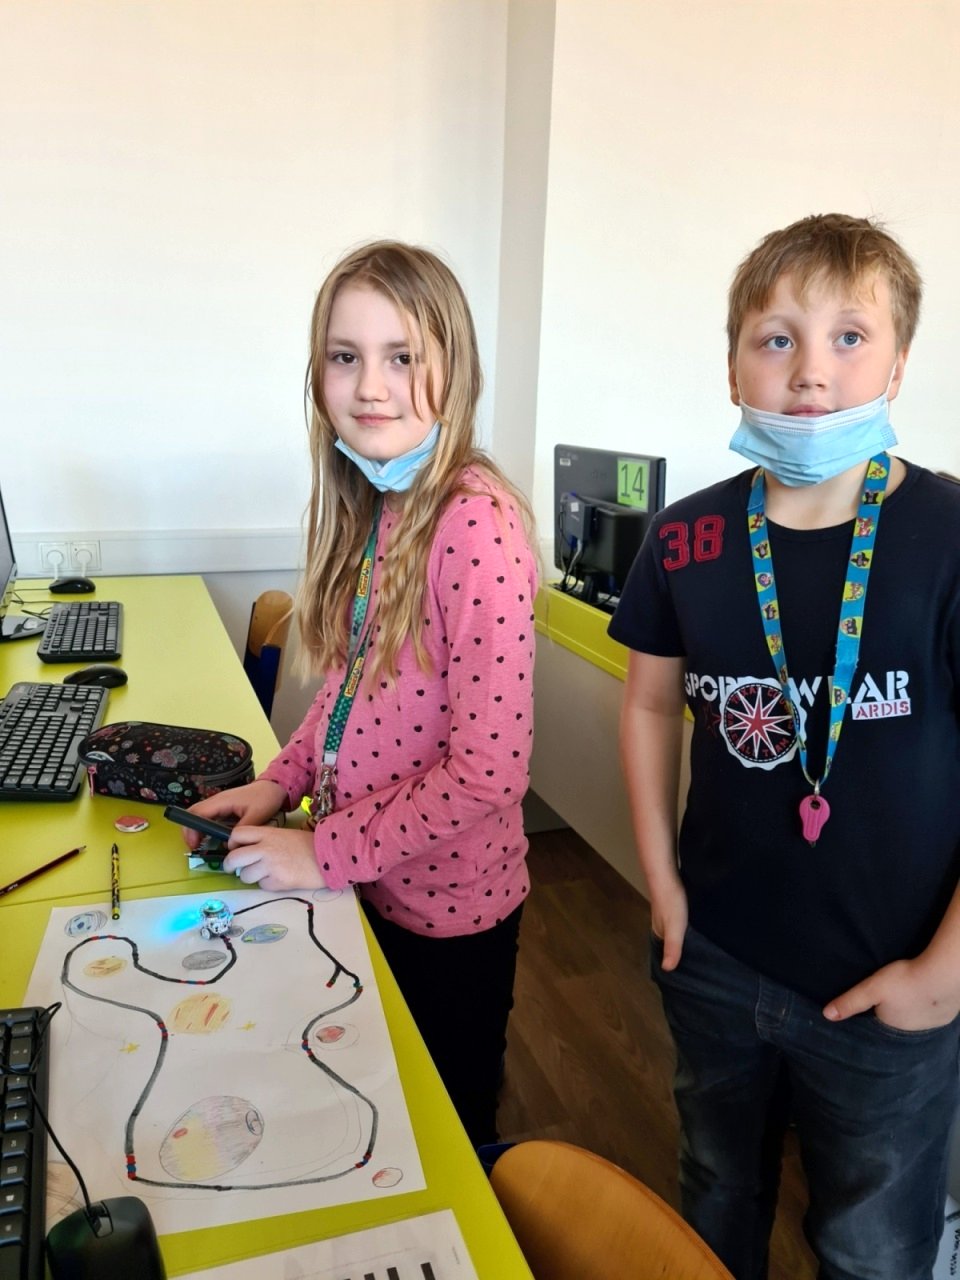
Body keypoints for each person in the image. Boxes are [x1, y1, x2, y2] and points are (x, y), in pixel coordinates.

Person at [610, 213, 960, 1280]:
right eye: (776, 339)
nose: (811, 370)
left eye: (850, 336)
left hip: (892, 983)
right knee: (716, 1189)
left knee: (870, 1244)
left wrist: (944, 973)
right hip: (715, 959)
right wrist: (663, 886)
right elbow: (648, 706)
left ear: (899, 363)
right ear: (733, 368)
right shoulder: (686, 537)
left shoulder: (949, 535)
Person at [183, 240, 539, 1146]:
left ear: (454, 370)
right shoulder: (379, 505)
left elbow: (491, 772)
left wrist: (323, 852)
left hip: (446, 919)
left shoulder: (475, 525)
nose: (371, 387)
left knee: (440, 1134)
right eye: (346, 356)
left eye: (402, 356)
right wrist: (279, 784)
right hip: (368, 879)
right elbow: (347, 694)